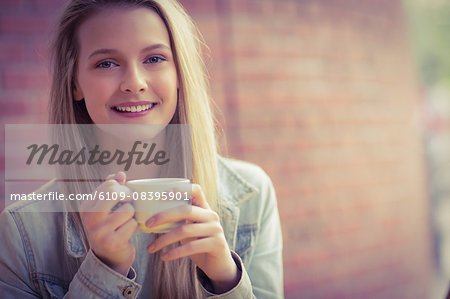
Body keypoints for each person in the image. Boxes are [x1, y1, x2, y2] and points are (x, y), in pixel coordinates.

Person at [0, 0, 284, 298]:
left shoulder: (253, 193)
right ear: (75, 84)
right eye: (106, 63)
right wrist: (103, 271)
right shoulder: (20, 232)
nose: (134, 83)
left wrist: (226, 278)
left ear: (179, 74)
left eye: (154, 59)